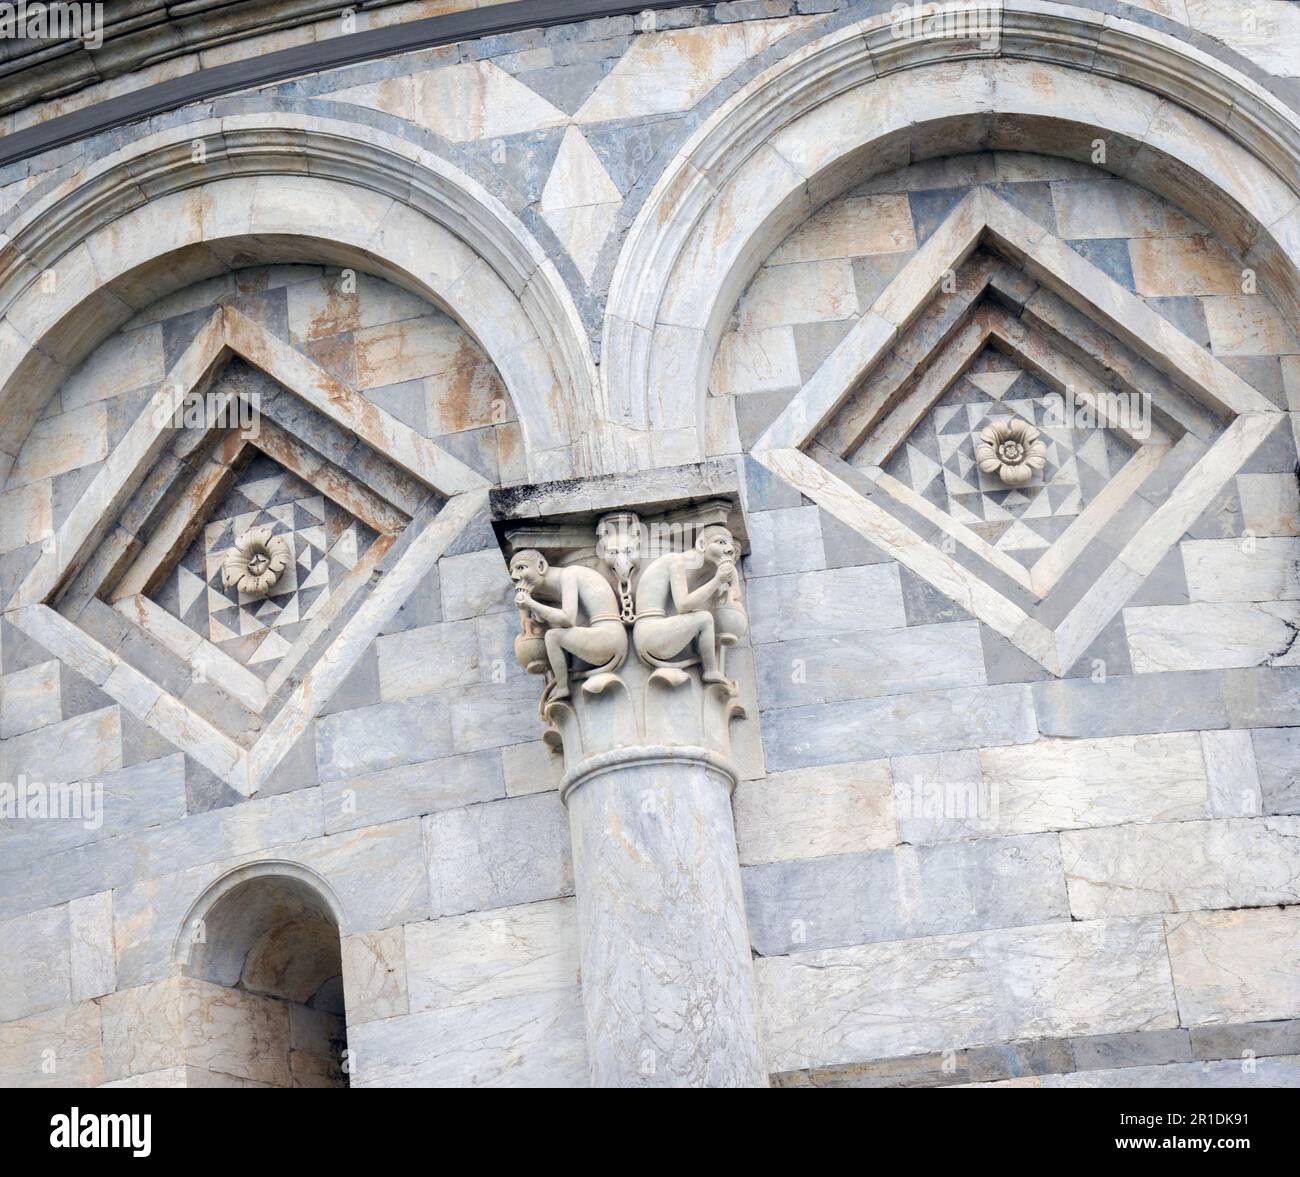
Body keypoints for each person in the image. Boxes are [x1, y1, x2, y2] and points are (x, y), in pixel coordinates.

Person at [509, 548, 627, 700]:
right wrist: (526, 612)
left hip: (610, 638)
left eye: (520, 568)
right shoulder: (551, 587)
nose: (514, 576)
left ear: (541, 566)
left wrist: (531, 603)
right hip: (600, 639)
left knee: (553, 637)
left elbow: (567, 619)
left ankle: (563, 687)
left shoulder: (569, 574)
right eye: (512, 572)